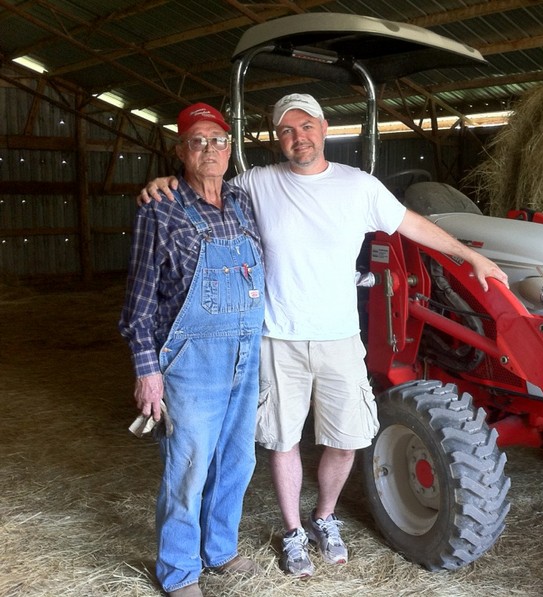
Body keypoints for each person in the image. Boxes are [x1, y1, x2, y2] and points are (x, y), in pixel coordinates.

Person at [138, 93, 508, 579]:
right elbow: (197, 192)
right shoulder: (254, 185)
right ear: (277, 139)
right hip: (274, 338)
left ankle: (319, 518)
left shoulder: (356, 187)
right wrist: (162, 182)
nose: (299, 138)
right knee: (273, 442)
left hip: (332, 338)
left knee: (330, 441)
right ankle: (282, 534)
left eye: (307, 126)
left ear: (325, 127)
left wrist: (470, 256)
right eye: (287, 131)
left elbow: (413, 225)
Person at [121, 103, 265, 597]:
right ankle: (179, 569)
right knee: (188, 466)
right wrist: (147, 372)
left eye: (218, 140)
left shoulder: (242, 200)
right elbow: (139, 301)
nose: (209, 149)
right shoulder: (159, 207)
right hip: (191, 360)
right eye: (197, 141)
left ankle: (220, 549)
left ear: (230, 147)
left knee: (237, 460)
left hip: (247, 353)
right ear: (180, 150)